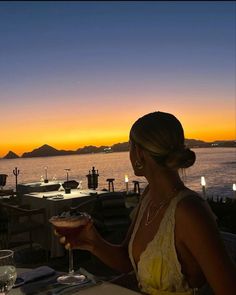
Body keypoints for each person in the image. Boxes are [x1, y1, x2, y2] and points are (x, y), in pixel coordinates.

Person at [56, 111, 236, 294]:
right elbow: (130, 263)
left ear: (139, 154)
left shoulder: (189, 211)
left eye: (130, 147)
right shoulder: (149, 196)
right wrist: (93, 242)